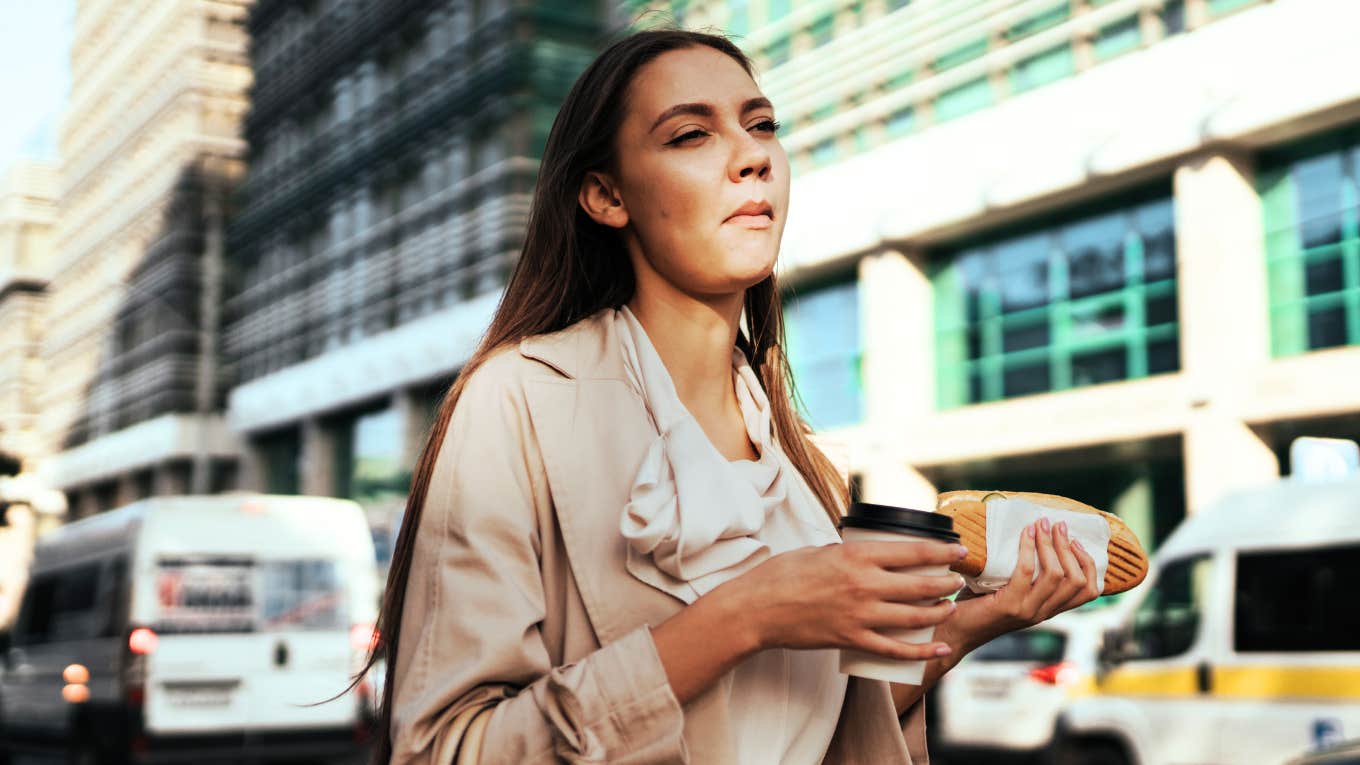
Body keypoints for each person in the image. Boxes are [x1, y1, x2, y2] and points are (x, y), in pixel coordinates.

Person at [367, 28, 1101, 764]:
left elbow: (827, 727)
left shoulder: (806, 468)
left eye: (762, 126)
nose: (753, 156)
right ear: (606, 195)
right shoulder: (518, 401)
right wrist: (747, 614)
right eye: (691, 134)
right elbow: (443, 749)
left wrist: (975, 622)